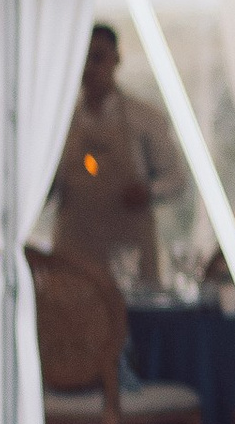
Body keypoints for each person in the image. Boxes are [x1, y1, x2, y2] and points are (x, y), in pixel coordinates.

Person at [51, 25, 180, 293]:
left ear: (116, 59)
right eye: (83, 58)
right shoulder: (58, 124)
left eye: (97, 57)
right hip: (74, 252)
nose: (89, 67)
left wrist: (148, 191)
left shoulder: (144, 118)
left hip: (129, 251)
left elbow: (176, 178)